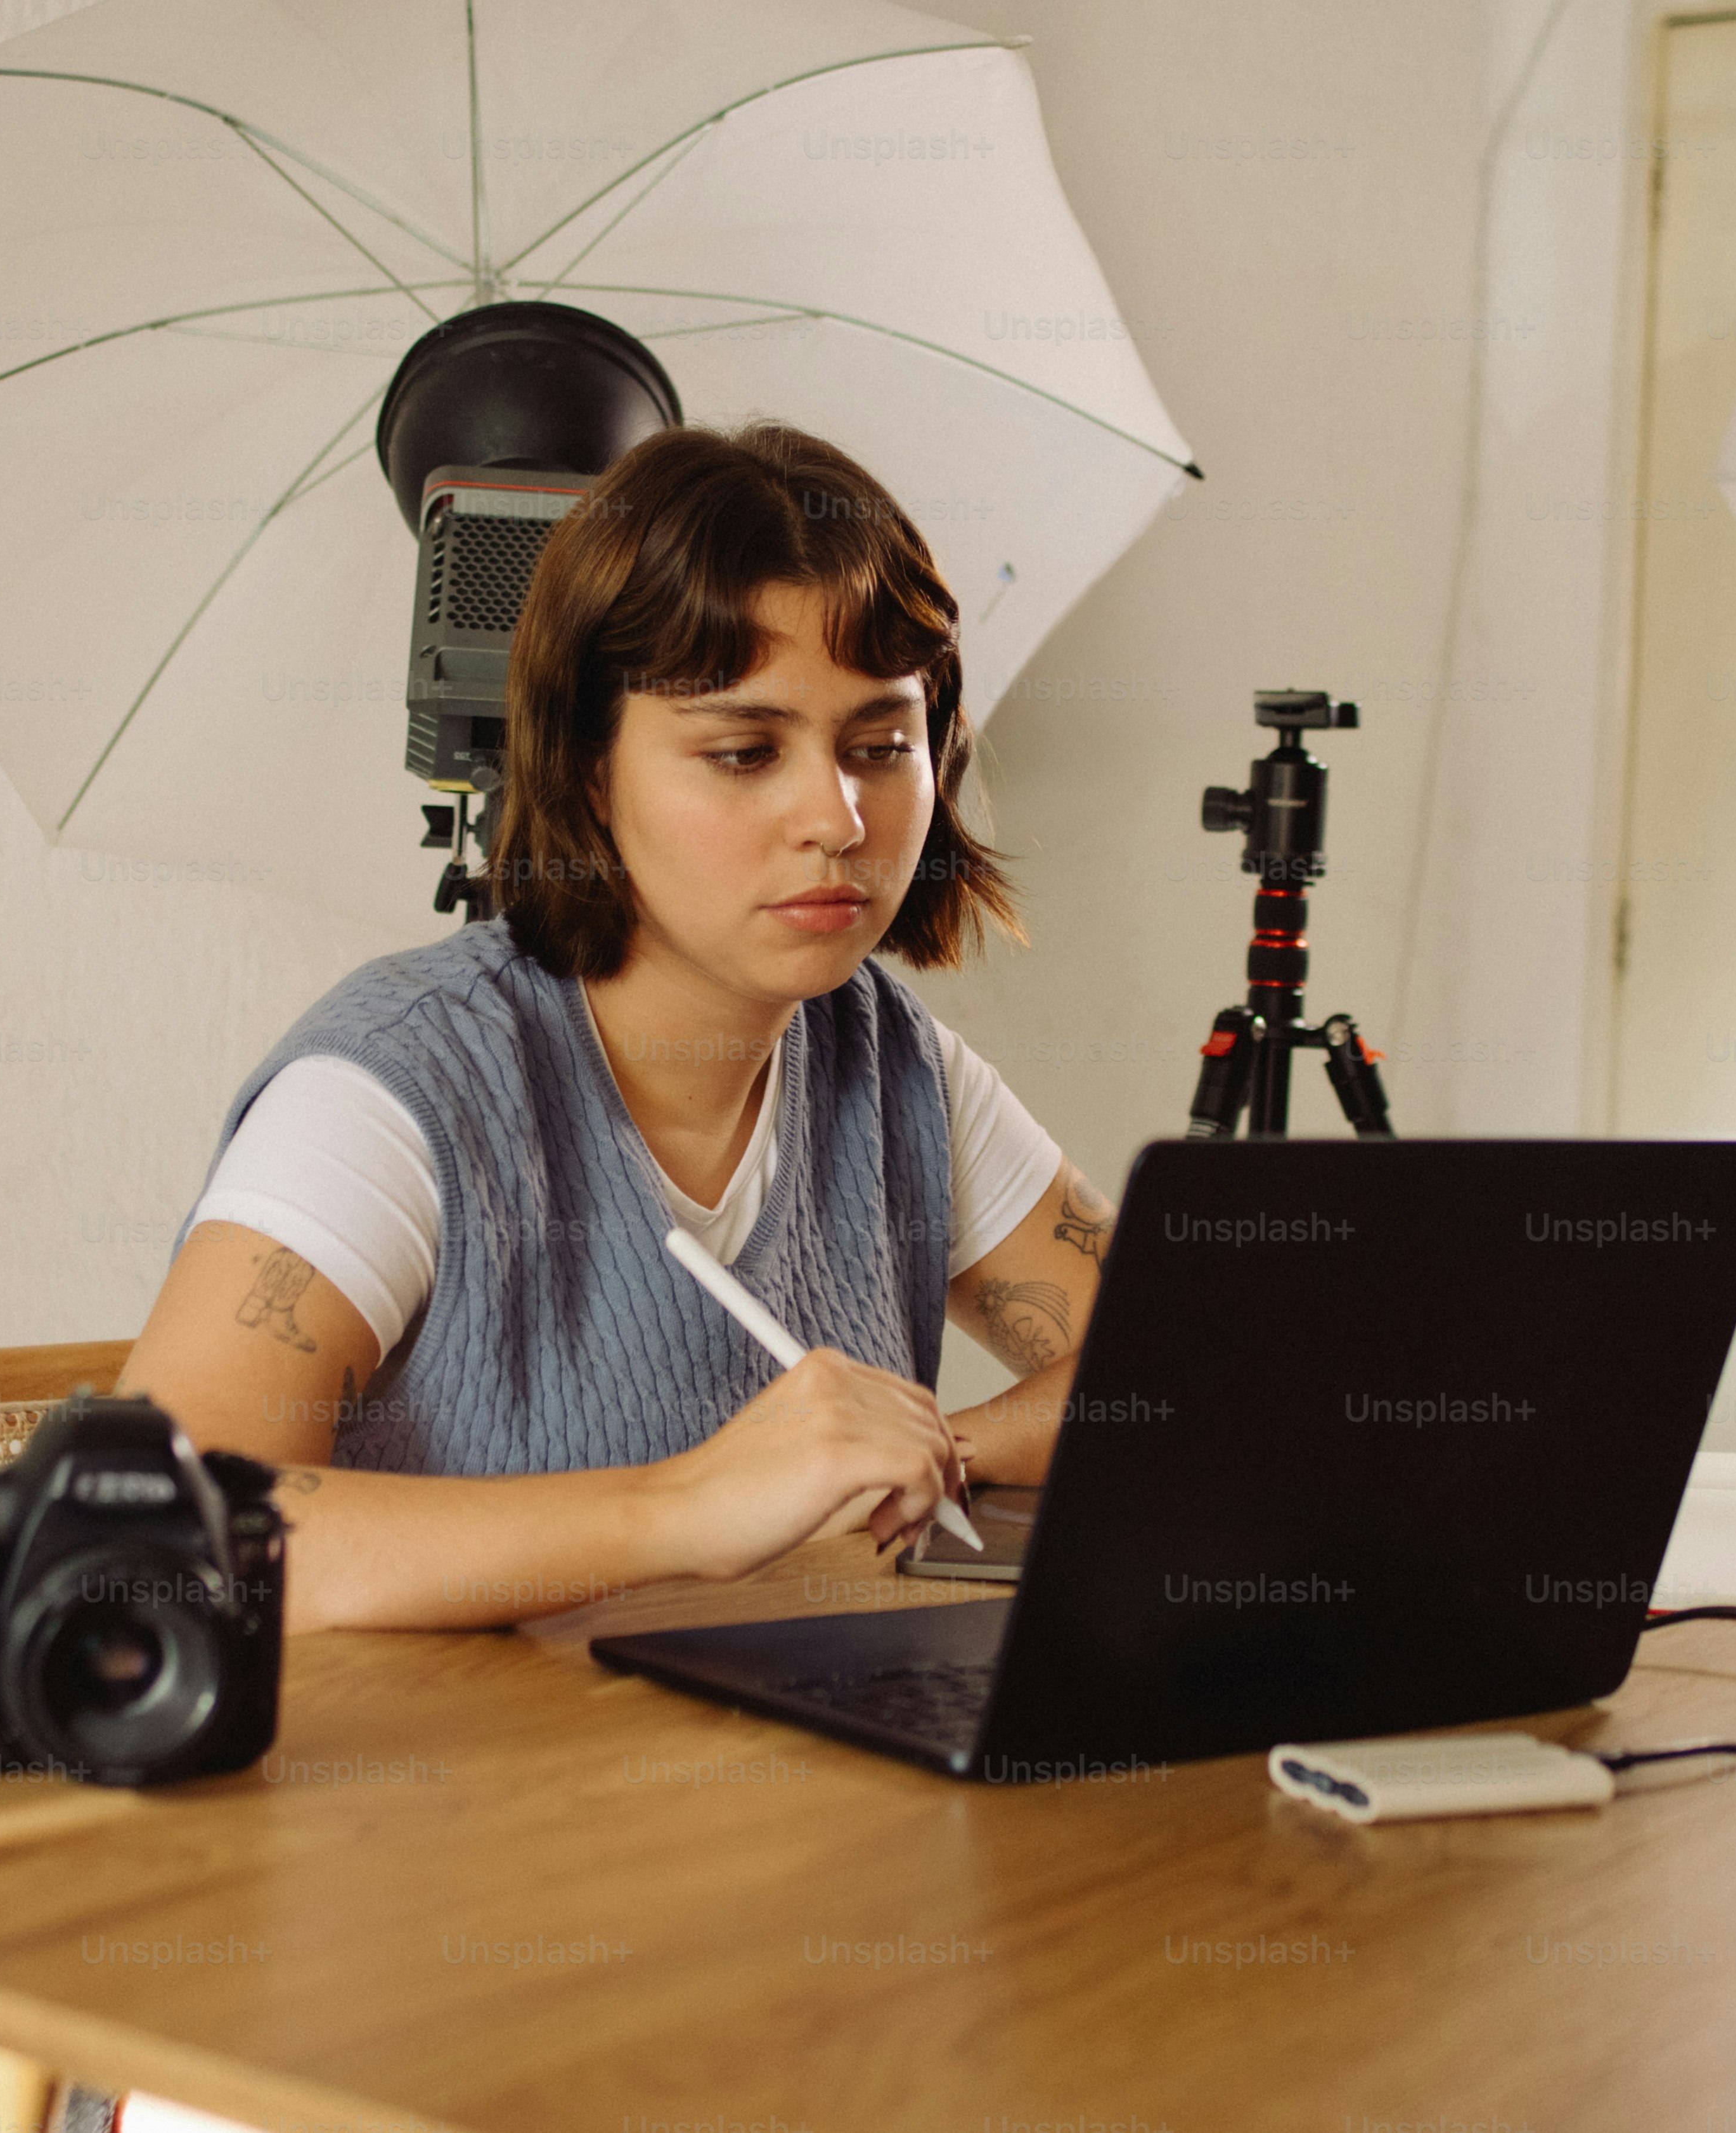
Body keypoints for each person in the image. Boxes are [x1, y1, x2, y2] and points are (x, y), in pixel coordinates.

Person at [119, 422, 1109, 1630]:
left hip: (802, 1779)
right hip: (470, 1803)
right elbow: (158, 1537)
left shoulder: (890, 1065)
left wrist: (931, 1450)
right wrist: (682, 1509)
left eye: (881, 746)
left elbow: (1202, 1365)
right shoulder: (396, 1089)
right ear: (590, 769)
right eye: (744, 751)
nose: (836, 816)